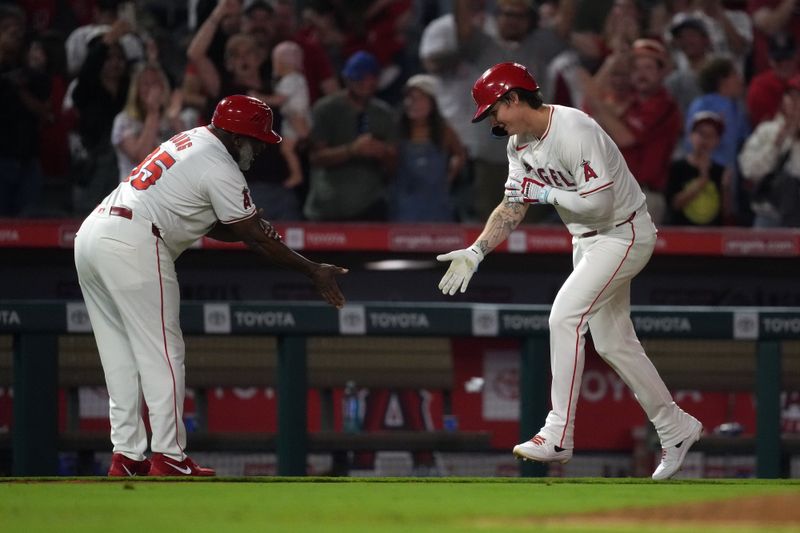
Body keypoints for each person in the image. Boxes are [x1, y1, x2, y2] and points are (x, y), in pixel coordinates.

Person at [435, 62, 702, 481]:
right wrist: (477, 249)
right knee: (615, 344)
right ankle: (676, 426)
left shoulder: (573, 128)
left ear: (514, 98)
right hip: (587, 241)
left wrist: (545, 191)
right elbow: (512, 205)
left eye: (495, 110)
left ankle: (558, 432)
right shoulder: (517, 146)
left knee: (564, 317)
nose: (494, 120)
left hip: (623, 231)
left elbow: (599, 204)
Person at [74, 95, 348, 477]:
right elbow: (257, 238)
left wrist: (245, 226)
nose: (259, 149)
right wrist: (313, 270)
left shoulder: (190, 140)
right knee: (163, 351)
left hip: (93, 234)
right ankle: (168, 455)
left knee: (120, 353)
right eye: (257, 140)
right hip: (133, 239)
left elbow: (215, 222)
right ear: (237, 138)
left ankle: (128, 455)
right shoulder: (220, 164)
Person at [304, 50, 398, 221]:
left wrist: (382, 152)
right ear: (347, 79)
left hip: (370, 204)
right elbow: (316, 157)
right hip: (327, 206)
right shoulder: (326, 109)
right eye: (359, 78)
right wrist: (352, 150)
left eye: (369, 79)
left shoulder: (384, 113)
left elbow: (393, 166)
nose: (364, 83)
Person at [389, 74, 465, 222]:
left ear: (433, 103)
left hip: (438, 209)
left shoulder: (444, 131)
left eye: (419, 98)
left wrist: (453, 170)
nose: (413, 103)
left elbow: (459, 154)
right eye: (410, 98)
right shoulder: (397, 131)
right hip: (404, 209)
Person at [666, 111, 729, 226]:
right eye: (701, 134)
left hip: (711, 235)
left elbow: (725, 212)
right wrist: (702, 181)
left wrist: (726, 188)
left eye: (711, 136)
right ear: (690, 136)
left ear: (717, 141)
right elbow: (674, 204)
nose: (705, 140)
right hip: (681, 233)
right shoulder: (677, 167)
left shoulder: (721, 171)